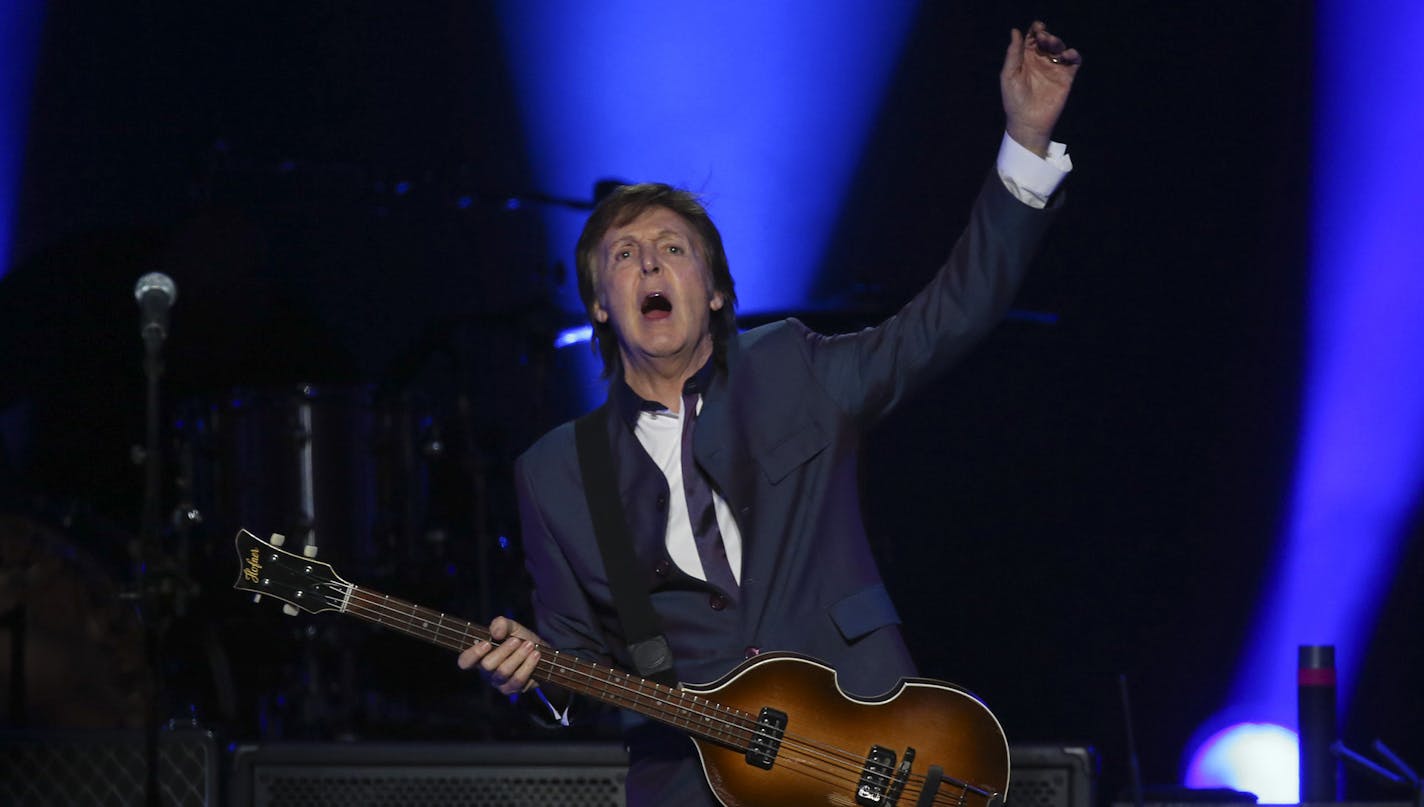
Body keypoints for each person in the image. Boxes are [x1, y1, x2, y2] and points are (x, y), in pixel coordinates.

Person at [459, 21, 1082, 805]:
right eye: (624, 254)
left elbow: (947, 319)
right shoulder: (553, 471)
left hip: (866, 753)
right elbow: (577, 665)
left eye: (673, 248)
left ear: (716, 292)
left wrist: (1025, 140)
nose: (649, 260)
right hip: (697, 781)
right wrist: (535, 674)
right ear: (600, 308)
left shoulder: (792, 366)